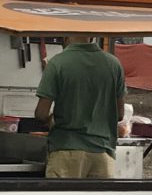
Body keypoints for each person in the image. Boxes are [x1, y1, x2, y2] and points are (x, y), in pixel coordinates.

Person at [34, 35, 127, 179]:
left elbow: (41, 113)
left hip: (66, 152)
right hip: (102, 154)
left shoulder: (58, 63)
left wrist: (50, 120)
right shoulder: (114, 64)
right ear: (92, 37)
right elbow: (120, 114)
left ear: (65, 36)